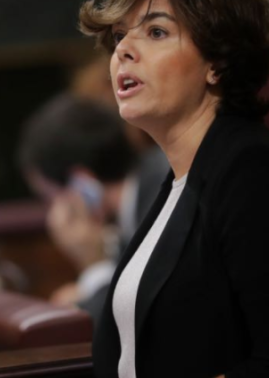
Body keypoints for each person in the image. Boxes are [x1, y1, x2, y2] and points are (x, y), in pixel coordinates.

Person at [77, 0, 269, 378]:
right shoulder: (180, 179)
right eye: (121, 35)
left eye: (156, 32)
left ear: (216, 63)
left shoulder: (254, 173)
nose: (123, 50)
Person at [17, 94, 167, 321]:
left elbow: (135, 322)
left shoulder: (163, 202)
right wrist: (90, 291)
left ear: (82, 184)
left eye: (50, 198)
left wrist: (94, 266)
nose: (53, 213)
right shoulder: (149, 186)